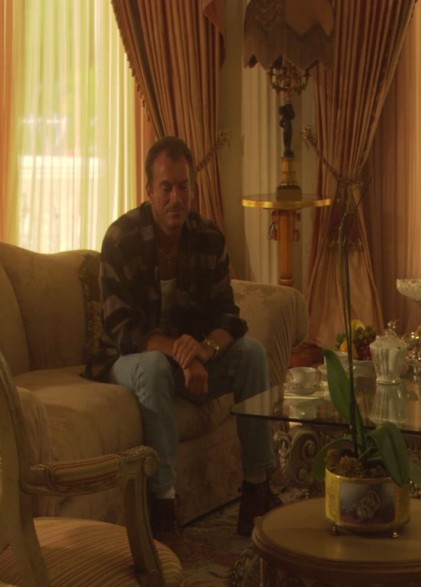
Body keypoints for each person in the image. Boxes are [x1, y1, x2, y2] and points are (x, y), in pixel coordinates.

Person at [85, 136, 280, 544]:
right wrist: (183, 354)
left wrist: (205, 351)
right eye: (166, 188)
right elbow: (122, 327)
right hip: (128, 359)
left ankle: (256, 488)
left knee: (252, 354)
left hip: (189, 357)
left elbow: (228, 315)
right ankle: (163, 503)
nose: (176, 198)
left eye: (183, 186)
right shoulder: (121, 238)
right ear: (148, 191)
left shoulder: (208, 236)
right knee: (156, 366)